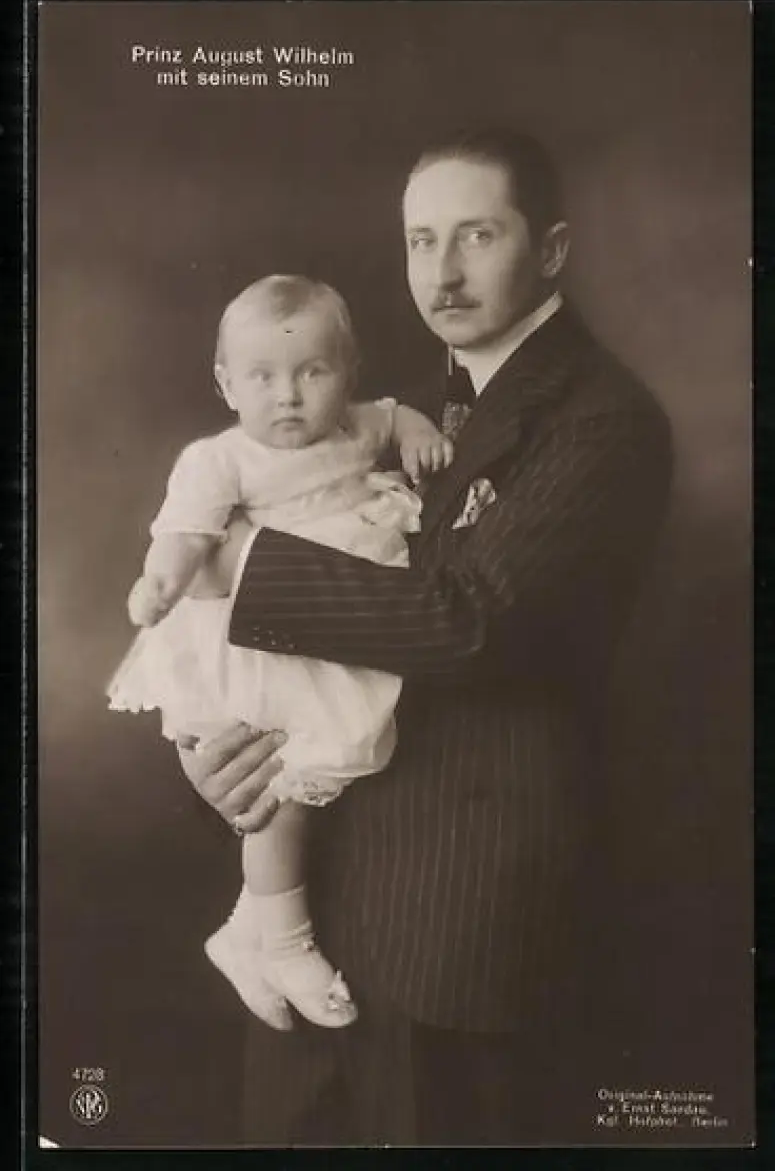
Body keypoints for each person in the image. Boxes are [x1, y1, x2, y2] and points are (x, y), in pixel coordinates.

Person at [178, 129, 674, 1144]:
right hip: (312, 921)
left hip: (451, 930)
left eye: (476, 236)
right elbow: (314, 649)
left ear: (551, 250)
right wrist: (227, 763)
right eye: (419, 240)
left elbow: (468, 619)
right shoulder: (379, 412)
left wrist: (238, 565)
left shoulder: (603, 419)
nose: (440, 273)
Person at [108, 273, 452, 1032]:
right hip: (261, 646)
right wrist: (159, 584)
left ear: (348, 374)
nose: (288, 396)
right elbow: (186, 533)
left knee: (323, 784)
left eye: (312, 372)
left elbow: (395, 416)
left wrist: (417, 431)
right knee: (282, 796)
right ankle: (285, 943)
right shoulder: (220, 459)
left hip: (334, 631)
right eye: (262, 377)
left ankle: (248, 927)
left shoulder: (358, 426)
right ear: (226, 385)